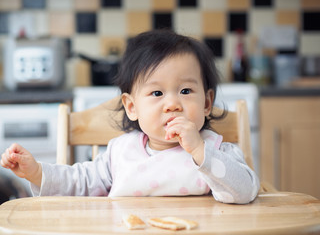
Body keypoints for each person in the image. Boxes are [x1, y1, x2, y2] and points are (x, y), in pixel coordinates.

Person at [1, 30, 259, 204]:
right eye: (157, 92)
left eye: (185, 91)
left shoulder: (216, 150)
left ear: (206, 103)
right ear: (132, 107)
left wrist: (201, 152)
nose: (172, 104)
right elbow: (79, 182)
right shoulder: (119, 154)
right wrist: (36, 172)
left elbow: (246, 190)